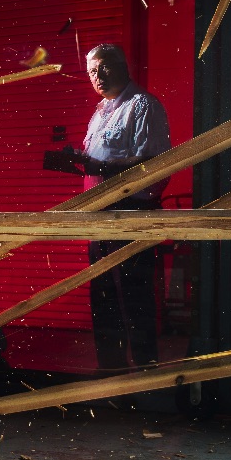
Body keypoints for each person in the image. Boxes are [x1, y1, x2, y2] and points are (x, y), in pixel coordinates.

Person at [81, 44, 171, 371]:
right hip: (99, 215)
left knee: (135, 297)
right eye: (91, 71)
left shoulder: (143, 105)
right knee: (103, 296)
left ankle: (146, 372)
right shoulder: (99, 112)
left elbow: (152, 163)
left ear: (123, 66)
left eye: (103, 68)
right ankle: (112, 370)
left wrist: (95, 165)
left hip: (131, 214)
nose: (97, 76)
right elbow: (97, 162)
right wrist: (78, 163)